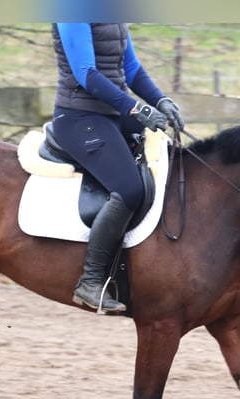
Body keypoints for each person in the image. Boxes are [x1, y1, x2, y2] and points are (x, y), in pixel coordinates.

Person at [51, 23, 185, 314]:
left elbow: (132, 68)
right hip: (79, 116)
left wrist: (160, 100)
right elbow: (86, 73)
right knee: (128, 189)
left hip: (112, 113)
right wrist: (137, 109)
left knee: (174, 160)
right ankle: (90, 281)